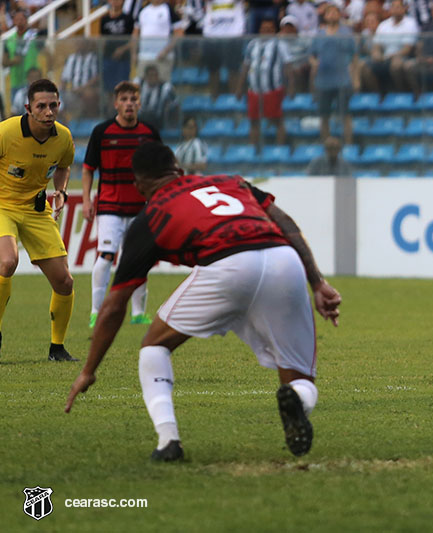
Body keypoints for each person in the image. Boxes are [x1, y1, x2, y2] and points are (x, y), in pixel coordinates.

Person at [65, 142, 342, 462]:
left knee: (154, 346)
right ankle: (296, 400)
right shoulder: (230, 182)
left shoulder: (149, 217)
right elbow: (285, 221)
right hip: (284, 260)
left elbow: (115, 305)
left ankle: (168, 440)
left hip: (227, 266)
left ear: (139, 185)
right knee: (301, 381)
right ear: (180, 171)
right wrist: (317, 282)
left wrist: (89, 370)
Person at [0, 79, 77, 362]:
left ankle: (57, 349)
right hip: (2, 207)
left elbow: (65, 165)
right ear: (28, 108)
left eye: (53, 105)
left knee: (65, 282)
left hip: (36, 209)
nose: (48, 112)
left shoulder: (63, 137)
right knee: (7, 262)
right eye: (41, 106)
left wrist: (61, 190)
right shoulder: (6, 132)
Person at [82, 81, 162, 328]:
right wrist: (86, 199)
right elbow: (88, 169)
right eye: (124, 99)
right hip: (110, 207)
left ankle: (138, 313)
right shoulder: (102, 132)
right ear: (116, 103)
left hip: (140, 207)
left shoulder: (149, 133)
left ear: (139, 103)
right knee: (106, 256)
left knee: (139, 259)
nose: (129, 103)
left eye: (133, 99)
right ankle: (96, 311)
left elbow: (159, 168)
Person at [237, 17, 291, 148]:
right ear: (259, 30)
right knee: (254, 121)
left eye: (269, 29)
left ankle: (279, 150)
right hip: (254, 90)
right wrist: (239, 87)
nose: (266, 31)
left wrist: (290, 88)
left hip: (272, 89)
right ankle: (252, 151)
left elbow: (288, 67)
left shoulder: (280, 45)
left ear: (274, 30)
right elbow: (246, 66)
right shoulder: (252, 45)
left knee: (277, 120)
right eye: (264, 29)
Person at [311, 4, 357, 145]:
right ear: (325, 16)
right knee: (324, 116)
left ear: (339, 15)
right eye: (329, 12)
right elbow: (312, 55)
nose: (332, 15)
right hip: (324, 82)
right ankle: (326, 144)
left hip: (342, 81)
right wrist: (314, 63)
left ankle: (348, 144)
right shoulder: (319, 35)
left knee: (345, 115)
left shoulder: (346, 33)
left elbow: (354, 56)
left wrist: (356, 79)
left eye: (335, 12)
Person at [100, 0, 135, 99]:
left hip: (123, 59)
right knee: (108, 88)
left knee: (122, 87)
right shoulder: (104, 19)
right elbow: (102, 40)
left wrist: (122, 49)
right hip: (108, 58)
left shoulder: (128, 18)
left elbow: (132, 39)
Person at [60, 40, 101, 120]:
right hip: (73, 89)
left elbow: (97, 77)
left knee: (89, 95)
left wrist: (82, 88)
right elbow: (64, 78)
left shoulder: (93, 57)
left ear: (86, 45)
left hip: (89, 88)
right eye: (78, 44)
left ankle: (90, 120)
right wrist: (61, 91)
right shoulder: (71, 58)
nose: (79, 46)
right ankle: (72, 121)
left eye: (82, 44)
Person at [3, 9, 41, 94]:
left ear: (26, 20)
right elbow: (4, 62)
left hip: (32, 81)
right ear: (13, 21)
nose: (19, 22)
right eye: (16, 19)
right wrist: (13, 61)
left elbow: (47, 52)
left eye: (22, 19)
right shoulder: (9, 39)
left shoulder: (34, 35)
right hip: (16, 82)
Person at [134, 65, 179, 131]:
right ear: (145, 76)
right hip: (140, 116)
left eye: (155, 75)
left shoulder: (165, 87)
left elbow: (175, 103)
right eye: (151, 75)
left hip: (156, 119)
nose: (153, 78)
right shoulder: (139, 83)